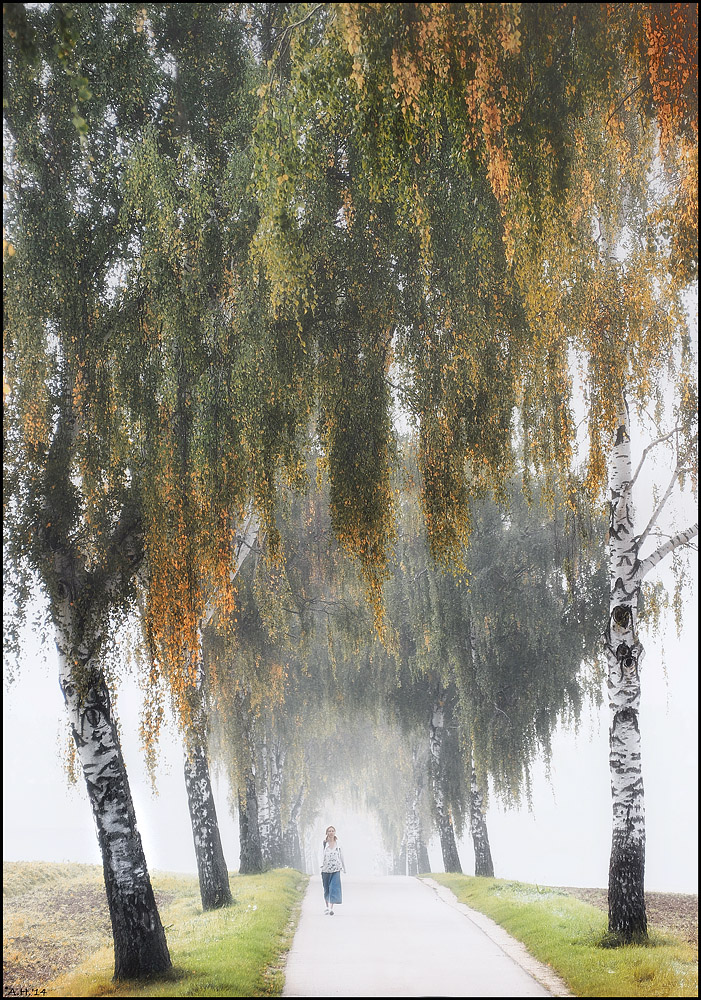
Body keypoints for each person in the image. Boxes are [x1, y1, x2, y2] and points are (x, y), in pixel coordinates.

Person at [320, 825, 346, 915]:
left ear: (335, 832)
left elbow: (341, 856)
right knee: (326, 888)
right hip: (325, 869)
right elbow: (319, 854)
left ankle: (331, 908)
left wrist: (344, 867)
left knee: (333, 888)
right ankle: (326, 907)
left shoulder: (338, 844)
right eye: (329, 831)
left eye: (332, 831)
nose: (331, 832)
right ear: (327, 833)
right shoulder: (323, 843)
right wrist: (321, 865)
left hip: (336, 869)